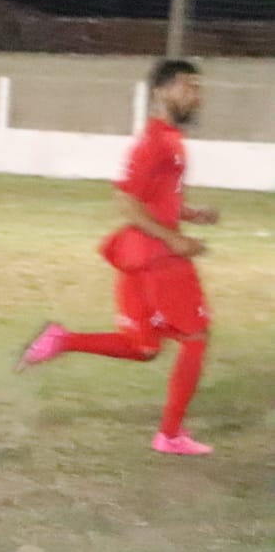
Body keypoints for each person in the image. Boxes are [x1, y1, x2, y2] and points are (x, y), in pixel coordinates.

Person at [16, 59, 217, 456]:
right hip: (158, 257)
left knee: (143, 347)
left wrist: (191, 214)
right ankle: (170, 434)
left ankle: (62, 339)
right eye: (188, 86)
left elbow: (152, 199)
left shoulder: (167, 140)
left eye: (197, 87)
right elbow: (126, 202)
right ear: (161, 91)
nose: (197, 95)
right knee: (196, 337)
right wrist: (175, 241)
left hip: (137, 256)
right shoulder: (155, 142)